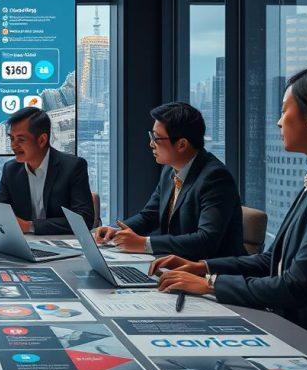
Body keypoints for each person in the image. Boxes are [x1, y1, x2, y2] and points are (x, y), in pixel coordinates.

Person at [151, 66, 307, 367]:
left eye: (285, 110)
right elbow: (271, 260)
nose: (278, 121)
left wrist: (210, 284)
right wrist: (201, 266)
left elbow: (295, 286)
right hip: (296, 332)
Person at [93, 102, 245, 260]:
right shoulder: (170, 171)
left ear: (182, 144)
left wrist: (145, 243)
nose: (151, 144)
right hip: (177, 266)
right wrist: (114, 231)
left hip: (210, 275)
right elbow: (148, 216)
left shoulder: (215, 178)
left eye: (156, 138)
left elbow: (206, 240)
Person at [0, 107, 94, 234]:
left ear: (42, 140)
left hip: (63, 243)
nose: (13, 145)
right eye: (12, 138)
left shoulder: (73, 167)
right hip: (23, 244)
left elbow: (84, 219)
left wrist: (30, 226)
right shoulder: (10, 169)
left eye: (21, 139)